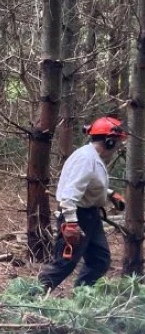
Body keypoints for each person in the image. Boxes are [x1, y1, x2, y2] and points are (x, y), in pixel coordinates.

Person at [39, 116, 127, 290]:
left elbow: (88, 183)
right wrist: (71, 223)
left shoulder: (93, 157)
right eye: (117, 142)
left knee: (99, 260)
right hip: (77, 215)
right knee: (64, 263)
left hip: (90, 215)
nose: (118, 146)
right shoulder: (86, 160)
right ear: (109, 141)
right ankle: (27, 297)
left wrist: (109, 194)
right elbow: (69, 194)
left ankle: (82, 298)